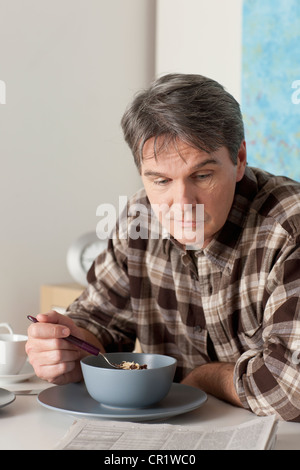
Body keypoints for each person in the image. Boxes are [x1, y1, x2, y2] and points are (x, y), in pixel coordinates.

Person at [26, 73, 300, 421]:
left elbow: (290, 390)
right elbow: (98, 321)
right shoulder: (139, 220)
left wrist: (203, 378)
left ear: (240, 158)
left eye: (202, 176)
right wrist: (69, 348)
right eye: (161, 181)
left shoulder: (290, 229)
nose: (182, 203)